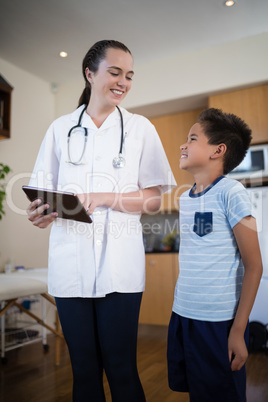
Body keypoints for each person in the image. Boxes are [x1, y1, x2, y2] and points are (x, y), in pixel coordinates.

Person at [26, 40, 176, 402]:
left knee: (122, 369)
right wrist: (39, 215)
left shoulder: (140, 128)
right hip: (70, 264)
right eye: (114, 72)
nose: (123, 81)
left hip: (120, 268)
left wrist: (107, 197)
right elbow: (44, 194)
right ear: (89, 73)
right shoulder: (60, 129)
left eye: (129, 75)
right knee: (84, 371)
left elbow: (154, 198)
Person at [167, 108, 263, 402]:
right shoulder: (185, 198)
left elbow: (254, 266)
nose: (183, 145)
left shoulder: (231, 192)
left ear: (218, 150)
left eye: (193, 138)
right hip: (183, 314)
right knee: (198, 392)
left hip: (218, 322)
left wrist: (238, 329)